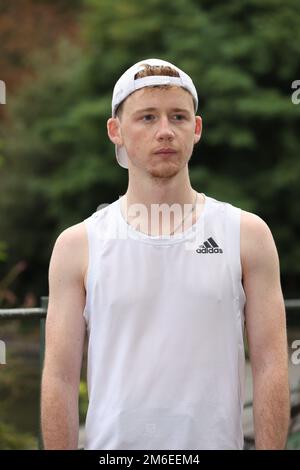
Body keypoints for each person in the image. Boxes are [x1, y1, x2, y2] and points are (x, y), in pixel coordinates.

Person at [41, 58, 290, 450]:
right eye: (146, 118)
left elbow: (272, 366)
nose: (165, 131)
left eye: (178, 116)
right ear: (115, 130)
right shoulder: (77, 245)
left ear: (197, 128)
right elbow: (59, 378)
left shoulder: (247, 235)